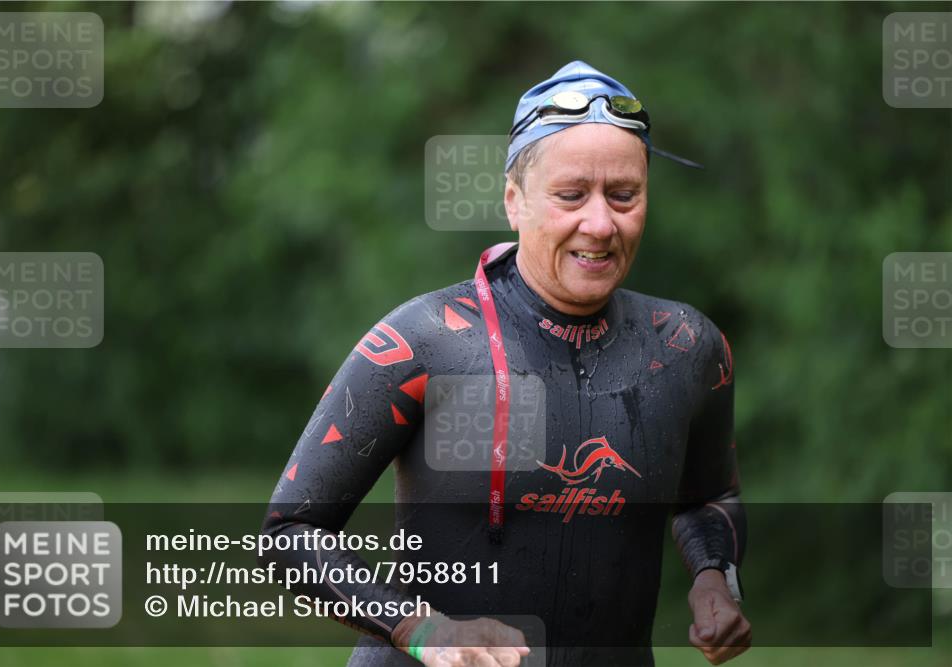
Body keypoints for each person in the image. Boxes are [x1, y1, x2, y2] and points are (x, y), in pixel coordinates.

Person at [260, 60, 750, 667]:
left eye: (624, 196)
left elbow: (710, 496)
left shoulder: (684, 348)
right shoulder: (428, 341)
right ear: (514, 201)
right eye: (571, 196)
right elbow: (289, 534)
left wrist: (714, 578)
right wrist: (420, 630)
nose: (600, 224)